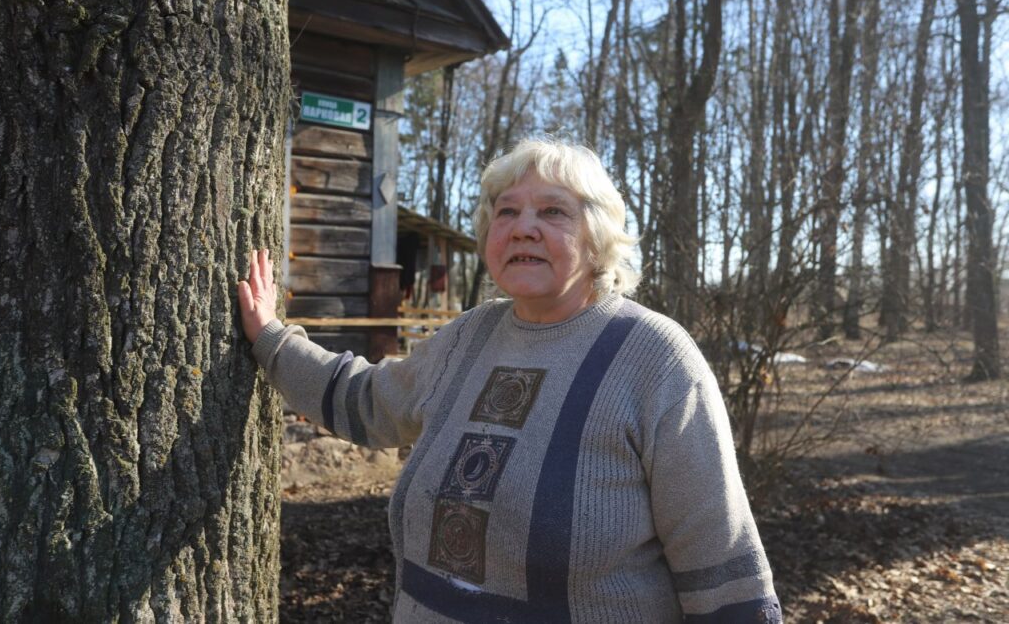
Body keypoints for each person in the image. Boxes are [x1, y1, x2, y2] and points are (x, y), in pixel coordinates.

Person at [239, 139, 781, 623]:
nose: (523, 227)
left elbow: (721, 566)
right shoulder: (470, 335)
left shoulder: (656, 358)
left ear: (597, 239)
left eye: (553, 210)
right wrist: (270, 338)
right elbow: (366, 401)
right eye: (507, 211)